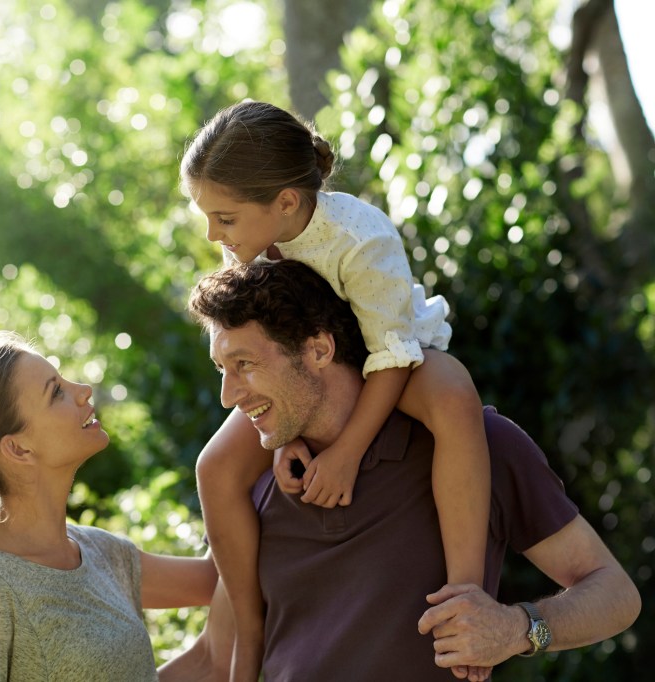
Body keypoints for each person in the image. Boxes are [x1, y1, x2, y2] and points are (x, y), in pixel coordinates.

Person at [159, 259, 640, 680]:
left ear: (319, 349)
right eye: (222, 369)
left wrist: (518, 629)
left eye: (244, 363)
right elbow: (215, 658)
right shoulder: (258, 487)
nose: (228, 396)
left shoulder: (479, 445)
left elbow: (615, 593)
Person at [180, 100, 492, 680]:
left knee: (453, 395)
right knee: (215, 466)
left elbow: (391, 355)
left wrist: (345, 453)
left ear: (286, 202)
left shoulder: (360, 237)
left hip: (387, 353)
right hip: (309, 368)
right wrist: (283, 437)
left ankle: (464, 599)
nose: (212, 233)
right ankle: (248, 636)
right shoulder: (246, 241)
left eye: (223, 218)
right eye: (207, 217)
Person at [0, 331, 217, 682]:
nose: (83, 390)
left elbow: (219, 580)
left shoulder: (100, 552)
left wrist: (262, 415)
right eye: (56, 391)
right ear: (18, 448)